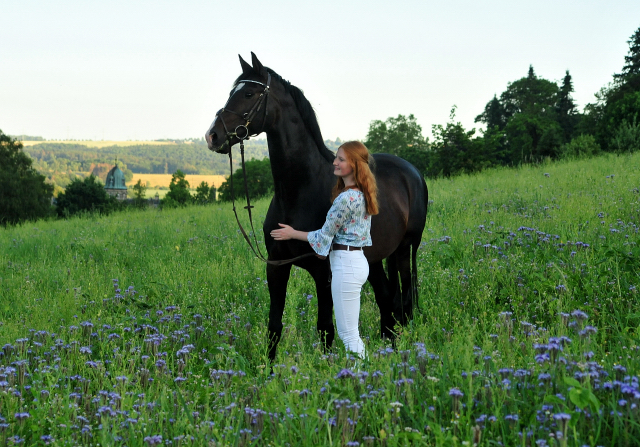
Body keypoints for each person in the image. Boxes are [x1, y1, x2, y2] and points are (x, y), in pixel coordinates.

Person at [270, 141, 378, 358]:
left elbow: (323, 236)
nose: (334, 162)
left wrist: (292, 233)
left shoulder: (345, 199)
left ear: (355, 165)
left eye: (341, 159)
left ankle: (365, 378)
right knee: (350, 333)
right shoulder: (362, 193)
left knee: (348, 335)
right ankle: (362, 375)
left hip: (346, 265)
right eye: (336, 157)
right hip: (356, 261)